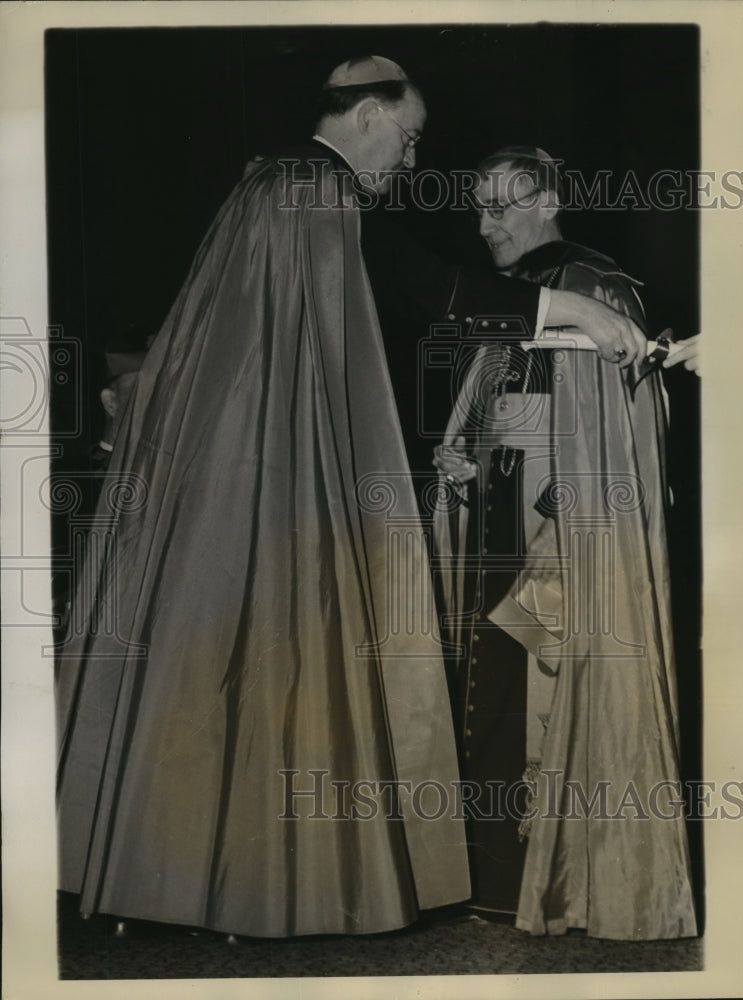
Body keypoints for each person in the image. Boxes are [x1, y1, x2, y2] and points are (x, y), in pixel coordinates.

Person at [56, 62, 648, 941]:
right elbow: (426, 292)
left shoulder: (260, 186)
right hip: (269, 486)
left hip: (214, 484)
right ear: (367, 114)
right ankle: (257, 887)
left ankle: (176, 880)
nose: (411, 162)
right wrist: (577, 312)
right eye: (407, 138)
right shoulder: (313, 186)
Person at [434, 146, 698, 938]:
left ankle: (562, 886)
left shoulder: (590, 285)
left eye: (501, 206)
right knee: (491, 695)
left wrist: (561, 496)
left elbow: (620, 425)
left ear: (547, 200)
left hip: (557, 529)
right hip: (494, 515)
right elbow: (486, 404)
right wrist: (459, 455)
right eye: (477, 208)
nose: (485, 225)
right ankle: (497, 887)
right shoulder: (510, 293)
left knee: (547, 695)